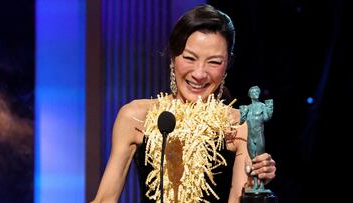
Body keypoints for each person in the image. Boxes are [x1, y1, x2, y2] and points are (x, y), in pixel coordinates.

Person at [91, 4, 276, 203]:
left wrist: (255, 181)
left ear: (227, 65)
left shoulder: (240, 125)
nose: (199, 73)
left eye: (214, 62)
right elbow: (104, 199)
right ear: (173, 57)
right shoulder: (135, 117)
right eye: (189, 58)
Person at [239, 86, 274, 191]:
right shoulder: (247, 107)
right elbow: (241, 122)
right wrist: (243, 113)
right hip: (250, 137)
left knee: (260, 161)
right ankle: (255, 184)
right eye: (253, 92)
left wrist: (270, 108)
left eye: (257, 91)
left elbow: (267, 118)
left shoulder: (262, 106)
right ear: (250, 95)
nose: (255, 93)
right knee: (253, 161)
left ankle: (262, 185)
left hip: (259, 136)